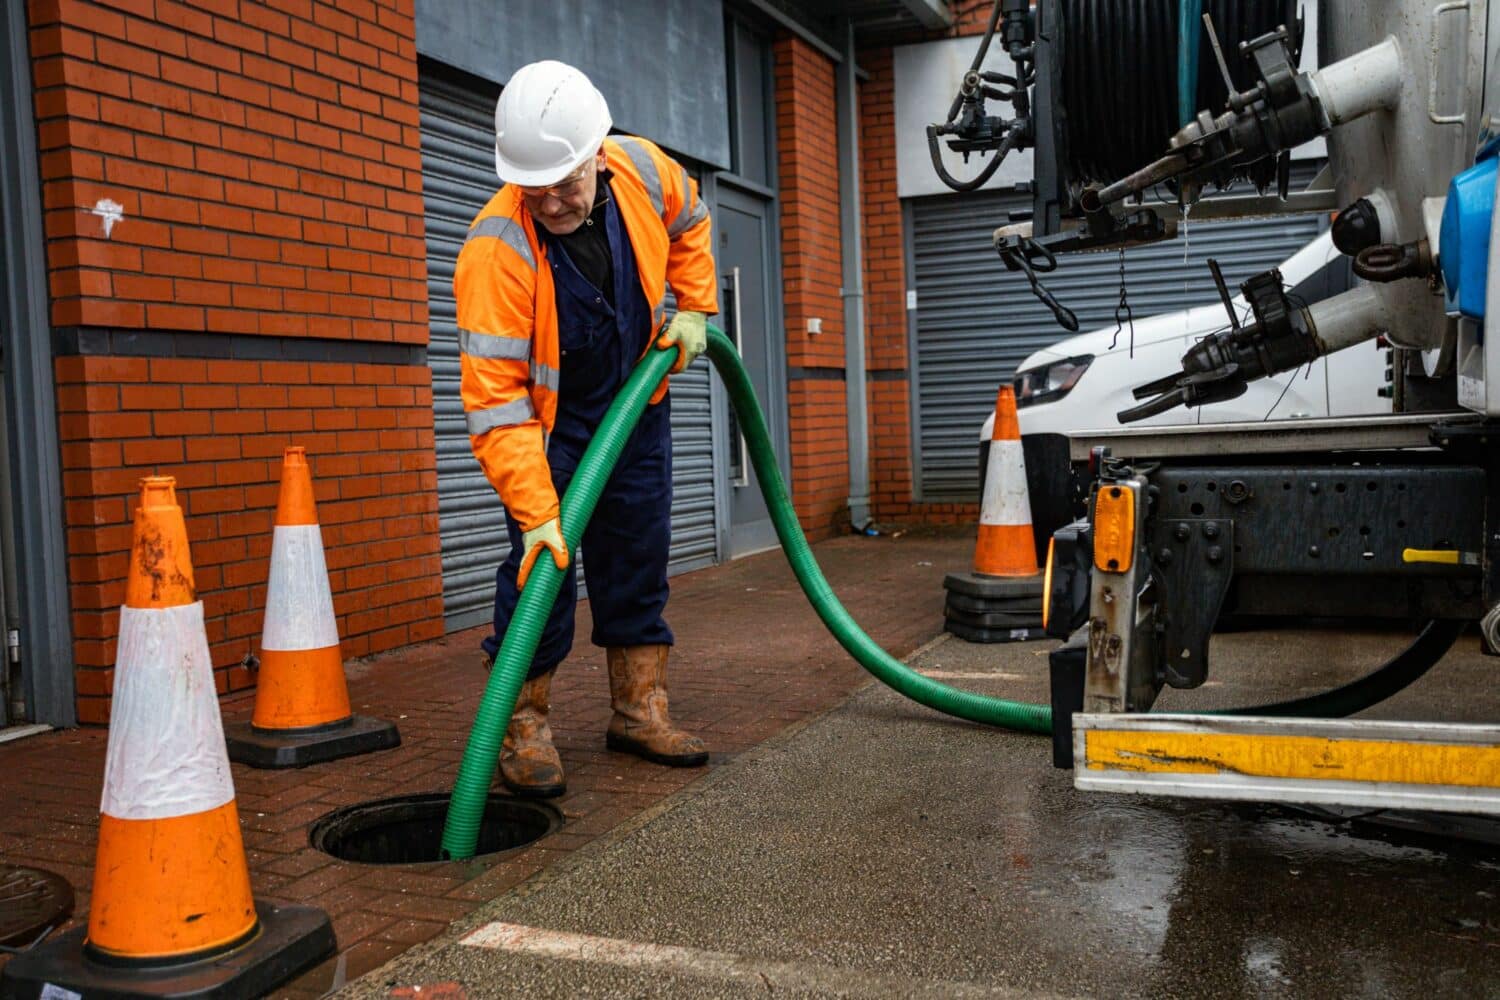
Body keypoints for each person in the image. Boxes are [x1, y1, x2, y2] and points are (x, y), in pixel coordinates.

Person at [454, 60, 718, 799]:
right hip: (551, 434)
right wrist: (539, 514)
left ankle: (640, 711)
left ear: (597, 156)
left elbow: (691, 219)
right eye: (534, 191)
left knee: (638, 559)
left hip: (637, 409)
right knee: (544, 573)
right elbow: (496, 403)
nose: (552, 203)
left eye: (565, 185)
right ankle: (523, 725)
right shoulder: (495, 252)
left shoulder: (641, 167)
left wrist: (695, 307)